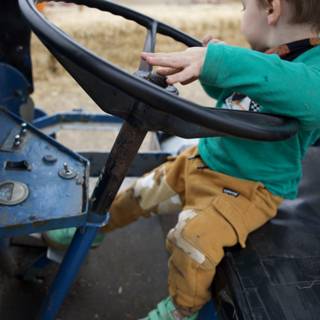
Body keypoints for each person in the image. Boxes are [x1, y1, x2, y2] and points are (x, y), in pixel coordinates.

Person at [44, 0, 320, 319]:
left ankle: (182, 308)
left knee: (192, 239)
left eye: (245, 6)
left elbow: (305, 94)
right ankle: (94, 232)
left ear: (272, 9)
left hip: (248, 189)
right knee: (137, 193)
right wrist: (210, 67)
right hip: (203, 160)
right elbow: (230, 93)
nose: (242, 13)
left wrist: (221, 60)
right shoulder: (270, 52)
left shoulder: (312, 68)